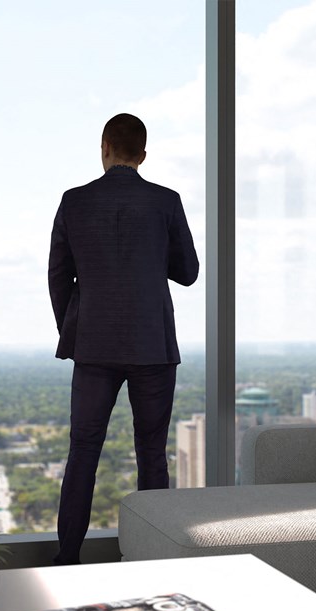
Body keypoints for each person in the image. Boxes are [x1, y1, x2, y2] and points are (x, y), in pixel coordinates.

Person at [48, 113, 199, 565]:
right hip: (152, 344)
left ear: (104, 148)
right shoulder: (166, 201)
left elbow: (58, 275)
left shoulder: (74, 202)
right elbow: (188, 273)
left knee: (83, 452)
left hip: (93, 346)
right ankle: (152, 561)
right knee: (152, 454)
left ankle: (66, 558)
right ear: (143, 155)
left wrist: (73, 328)